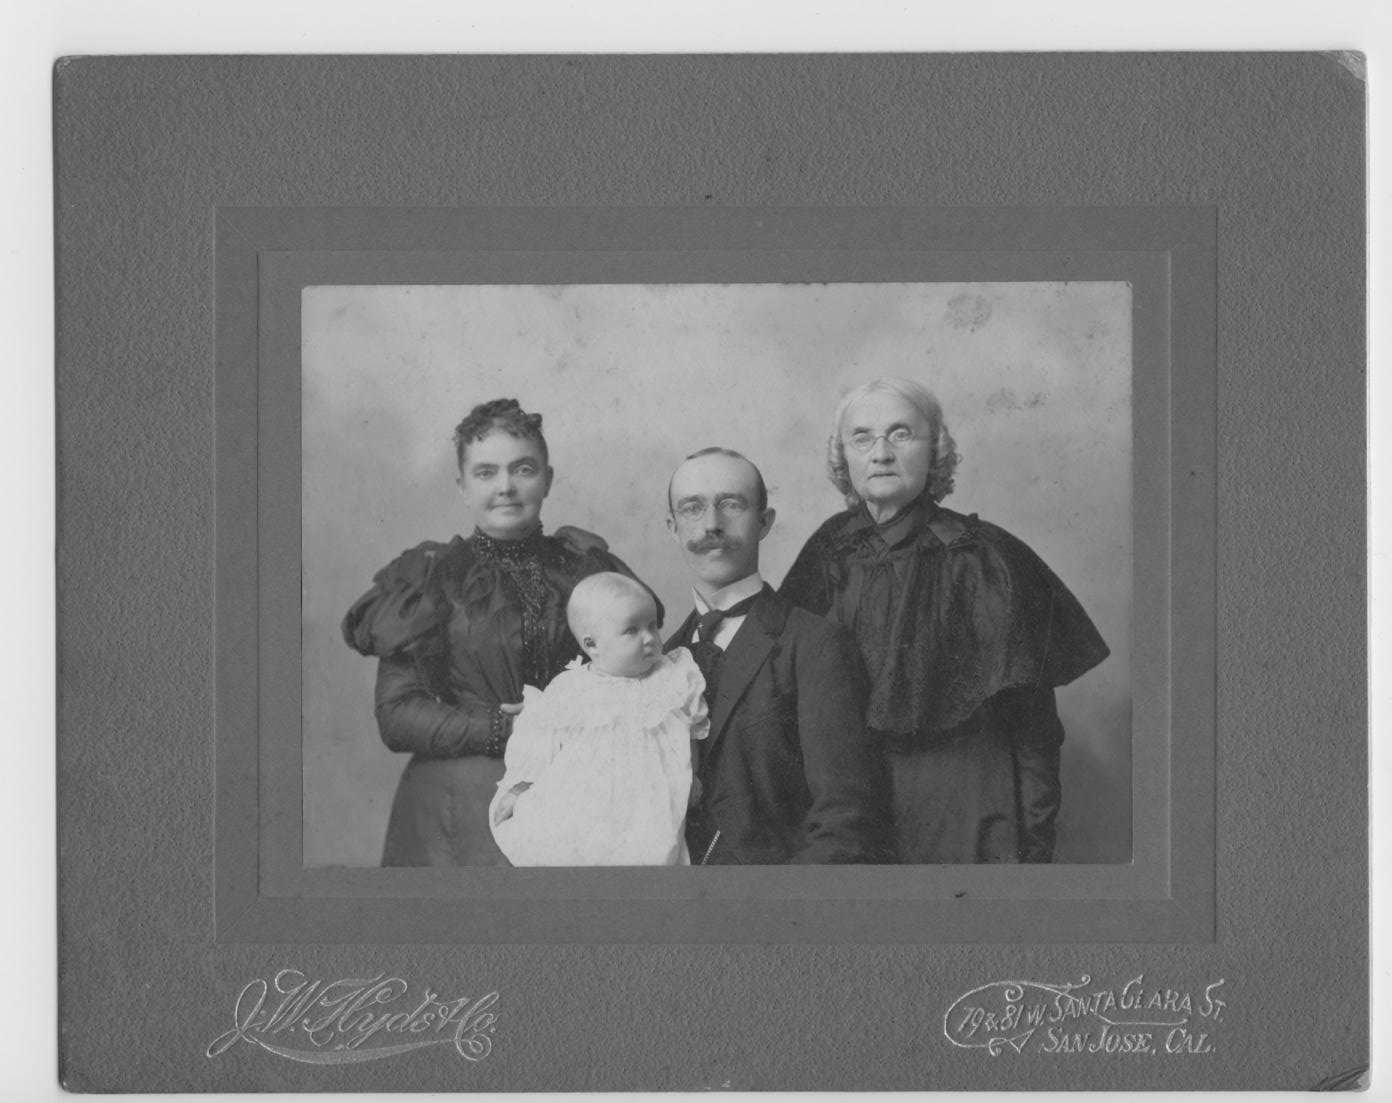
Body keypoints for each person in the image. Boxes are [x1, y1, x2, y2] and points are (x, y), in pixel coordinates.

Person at [779, 377, 1110, 864]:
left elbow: (1035, 735)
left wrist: (1032, 852)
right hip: (846, 812)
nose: (881, 454)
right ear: (843, 456)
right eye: (862, 438)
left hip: (965, 811)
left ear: (934, 449)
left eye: (901, 434)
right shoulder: (827, 550)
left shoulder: (986, 558)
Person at [341, 398, 649, 866]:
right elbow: (397, 715)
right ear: (463, 486)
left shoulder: (586, 571)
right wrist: (506, 728)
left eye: (523, 469)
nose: (505, 487)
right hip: (461, 807)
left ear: (548, 479)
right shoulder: (433, 579)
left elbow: (640, 683)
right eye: (486, 473)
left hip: (579, 793)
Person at [664, 447, 889, 865]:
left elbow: (843, 817)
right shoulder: (660, 659)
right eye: (692, 508)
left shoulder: (815, 644)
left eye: (731, 504)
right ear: (672, 528)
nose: (711, 524)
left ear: (764, 522)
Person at [488, 573, 709, 866]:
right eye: (632, 630)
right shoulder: (573, 688)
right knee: (573, 849)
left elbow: (688, 730)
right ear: (593, 645)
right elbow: (540, 745)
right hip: (585, 800)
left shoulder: (671, 676)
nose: (649, 639)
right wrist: (518, 788)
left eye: (652, 625)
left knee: (649, 854)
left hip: (648, 801)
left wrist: (692, 775)